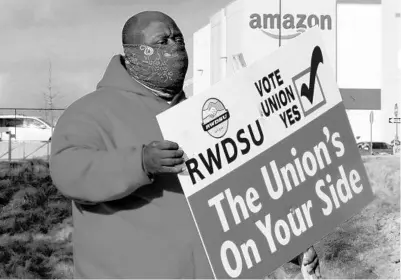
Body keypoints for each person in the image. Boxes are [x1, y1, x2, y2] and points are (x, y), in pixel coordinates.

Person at [50, 11, 321, 279]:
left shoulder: (200, 116)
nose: (175, 47)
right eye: (163, 41)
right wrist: (139, 163)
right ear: (133, 53)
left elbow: (239, 200)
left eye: (179, 39)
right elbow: (69, 172)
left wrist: (286, 244)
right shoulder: (91, 112)